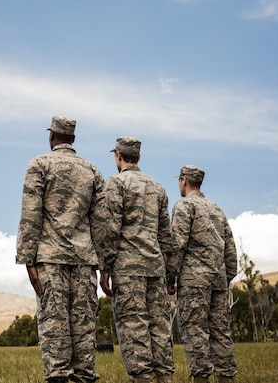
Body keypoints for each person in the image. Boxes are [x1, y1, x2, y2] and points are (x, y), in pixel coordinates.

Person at [16, 115, 106, 383]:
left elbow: (30, 214)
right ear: (73, 139)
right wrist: (104, 266)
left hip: (50, 260)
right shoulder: (92, 170)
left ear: (51, 136)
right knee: (83, 330)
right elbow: (100, 223)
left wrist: (27, 260)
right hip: (84, 260)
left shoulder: (39, 164)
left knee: (55, 330)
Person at [98, 137, 175, 383]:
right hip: (155, 267)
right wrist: (169, 273)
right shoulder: (158, 187)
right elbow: (166, 236)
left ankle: (142, 378)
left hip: (128, 268)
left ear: (118, 156)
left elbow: (110, 229)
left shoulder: (116, 184)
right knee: (159, 327)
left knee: (134, 326)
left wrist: (105, 267)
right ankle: (164, 377)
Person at [168, 165, 238, 383]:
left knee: (195, 331)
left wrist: (170, 277)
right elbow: (230, 249)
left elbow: (177, 244)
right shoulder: (216, 209)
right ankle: (226, 377)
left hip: (193, 281)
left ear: (183, 180)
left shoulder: (184, 206)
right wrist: (226, 277)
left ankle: (201, 379)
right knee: (220, 331)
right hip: (218, 279)